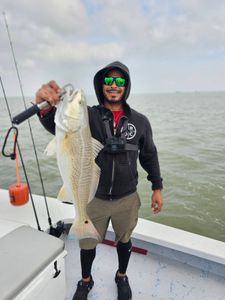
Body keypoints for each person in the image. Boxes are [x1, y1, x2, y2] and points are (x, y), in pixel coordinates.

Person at [35, 61, 163, 300]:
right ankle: (86, 280)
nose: (113, 86)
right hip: (94, 197)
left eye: (119, 81)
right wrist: (46, 108)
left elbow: (149, 155)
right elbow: (58, 127)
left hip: (127, 197)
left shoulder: (140, 121)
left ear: (126, 86)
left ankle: (121, 275)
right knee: (87, 243)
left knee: (125, 241)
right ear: (101, 85)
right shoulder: (89, 115)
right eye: (108, 81)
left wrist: (157, 186)